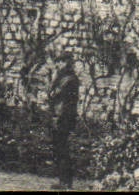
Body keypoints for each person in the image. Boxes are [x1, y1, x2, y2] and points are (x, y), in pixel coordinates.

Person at [47, 54, 81, 189]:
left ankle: (66, 182)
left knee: (62, 149)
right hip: (59, 116)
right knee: (59, 149)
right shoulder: (65, 78)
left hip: (63, 118)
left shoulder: (69, 80)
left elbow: (52, 93)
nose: (58, 65)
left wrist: (54, 77)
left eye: (60, 62)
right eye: (58, 62)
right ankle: (63, 181)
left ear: (67, 63)